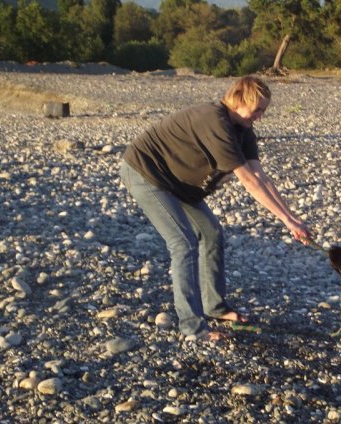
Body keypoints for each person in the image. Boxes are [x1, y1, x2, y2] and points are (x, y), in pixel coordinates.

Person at [119, 76, 310, 341]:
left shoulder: (243, 130)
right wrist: (285, 220)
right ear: (239, 100)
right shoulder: (215, 122)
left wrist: (291, 219)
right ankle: (193, 328)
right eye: (257, 110)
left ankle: (215, 307)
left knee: (211, 233)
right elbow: (248, 181)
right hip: (146, 173)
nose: (260, 117)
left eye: (263, 111)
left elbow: (260, 176)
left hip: (181, 183)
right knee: (183, 243)